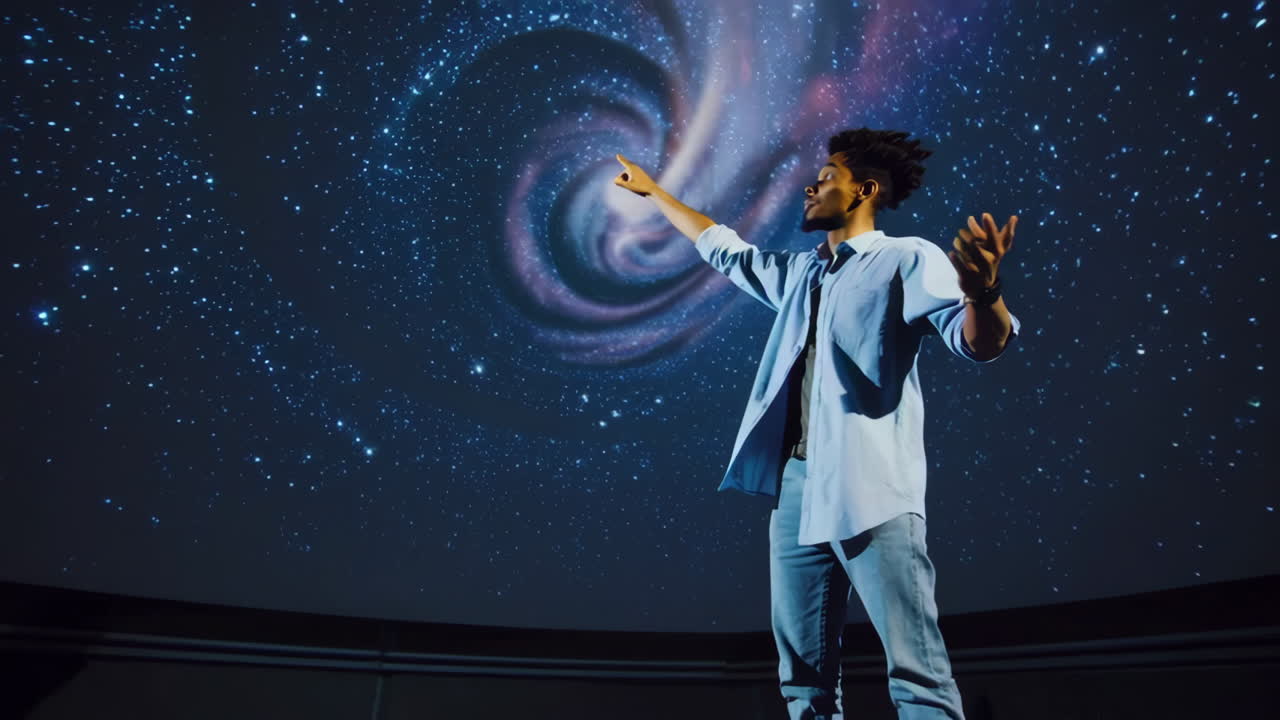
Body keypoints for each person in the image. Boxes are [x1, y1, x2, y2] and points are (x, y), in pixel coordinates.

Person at [612, 127, 1021, 720]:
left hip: (873, 488)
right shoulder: (803, 274)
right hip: (797, 491)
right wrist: (654, 193)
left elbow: (978, 343)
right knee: (802, 685)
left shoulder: (906, 258)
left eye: (827, 176)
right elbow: (722, 247)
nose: (811, 184)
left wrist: (986, 294)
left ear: (864, 191)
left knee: (917, 676)